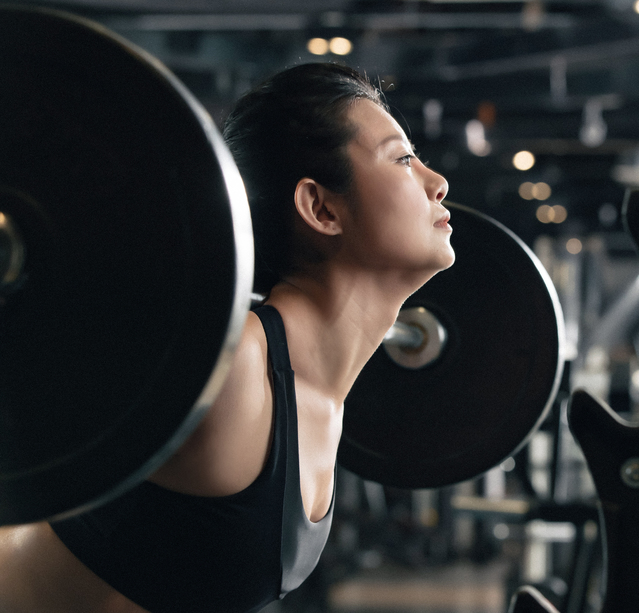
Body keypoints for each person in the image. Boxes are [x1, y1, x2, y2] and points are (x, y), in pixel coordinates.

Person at [0, 62, 453, 612]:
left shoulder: (317, 397)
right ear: (321, 208)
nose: (438, 182)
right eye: (404, 159)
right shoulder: (233, 367)